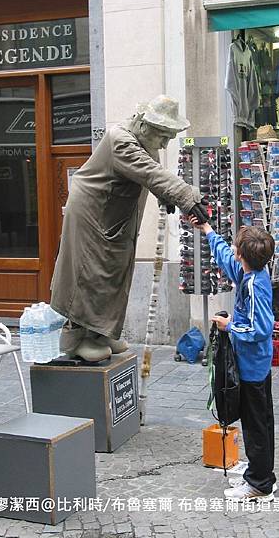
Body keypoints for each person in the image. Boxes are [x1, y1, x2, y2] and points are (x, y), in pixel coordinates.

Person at [51, 95, 209, 362]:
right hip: (93, 215)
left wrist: (166, 196)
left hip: (115, 217)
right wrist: (185, 197)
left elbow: (153, 172)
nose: (165, 143)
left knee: (113, 274)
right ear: (147, 127)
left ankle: (101, 333)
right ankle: (75, 338)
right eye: (164, 137)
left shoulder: (146, 140)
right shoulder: (120, 140)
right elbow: (148, 172)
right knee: (89, 274)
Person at [190, 217, 276, 502]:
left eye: (236, 249)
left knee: (256, 426)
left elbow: (261, 328)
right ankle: (262, 474)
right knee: (261, 421)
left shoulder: (254, 285)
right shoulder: (250, 274)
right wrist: (207, 229)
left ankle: (259, 484)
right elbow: (226, 259)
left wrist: (230, 327)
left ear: (243, 255)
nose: (233, 254)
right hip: (256, 363)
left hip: (253, 366)